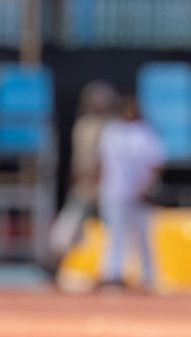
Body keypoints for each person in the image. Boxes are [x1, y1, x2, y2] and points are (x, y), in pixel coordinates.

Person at [46, 80, 119, 273]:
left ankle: (114, 271)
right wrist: (74, 179)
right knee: (66, 228)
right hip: (83, 187)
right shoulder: (82, 125)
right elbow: (78, 158)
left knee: (114, 232)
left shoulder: (115, 127)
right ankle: (57, 264)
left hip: (109, 187)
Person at [96, 94, 165, 290]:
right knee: (114, 233)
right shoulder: (111, 131)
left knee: (144, 234)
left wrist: (148, 187)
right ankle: (113, 272)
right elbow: (102, 161)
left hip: (140, 192)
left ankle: (149, 275)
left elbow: (156, 163)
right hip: (113, 190)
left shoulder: (146, 132)